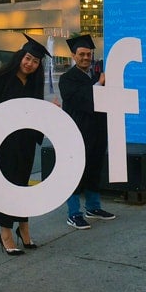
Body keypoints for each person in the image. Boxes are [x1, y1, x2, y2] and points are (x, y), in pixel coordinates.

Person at [0, 33, 49, 255]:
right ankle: (5, 233)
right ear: (19, 57)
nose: (30, 64)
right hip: (3, 143)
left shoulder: (34, 85)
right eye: (28, 58)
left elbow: (35, 113)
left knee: (22, 185)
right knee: (6, 185)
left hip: (24, 144)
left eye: (35, 61)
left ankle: (23, 228)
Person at [59, 35, 116, 230]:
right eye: (81, 54)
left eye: (88, 54)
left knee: (94, 169)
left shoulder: (95, 76)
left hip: (98, 131)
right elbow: (81, 100)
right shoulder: (67, 79)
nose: (85, 57)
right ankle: (74, 213)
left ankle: (93, 207)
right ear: (73, 56)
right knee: (75, 172)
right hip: (77, 132)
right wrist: (99, 85)